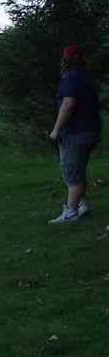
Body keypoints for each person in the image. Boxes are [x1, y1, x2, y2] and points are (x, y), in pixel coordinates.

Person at [49, 44, 101, 223]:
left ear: (65, 61)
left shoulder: (70, 78)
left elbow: (69, 103)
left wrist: (56, 129)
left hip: (74, 132)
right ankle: (82, 203)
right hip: (91, 130)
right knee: (79, 168)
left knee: (71, 171)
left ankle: (70, 212)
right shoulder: (88, 79)